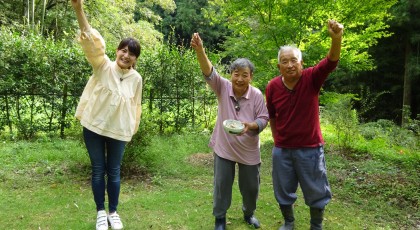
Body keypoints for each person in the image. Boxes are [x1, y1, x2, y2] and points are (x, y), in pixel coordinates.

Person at [265, 19, 343, 230]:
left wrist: (336, 39)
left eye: (294, 60)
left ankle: (316, 225)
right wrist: (277, 140)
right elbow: (272, 115)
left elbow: (331, 62)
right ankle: (289, 222)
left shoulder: (311, 78)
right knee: (282, 189)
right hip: (283, 150)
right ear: (279, 65)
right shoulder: (272, 86)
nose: (289, 65)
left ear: (301, 63)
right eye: (284, 61)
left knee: (316, 189)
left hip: (310, 149)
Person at [71, 0, 143, 229]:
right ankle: (100, 212)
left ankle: (113, 212)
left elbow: (136, 106)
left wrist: (131, 130)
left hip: (118, 131)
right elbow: (91, 41)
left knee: (114, 172)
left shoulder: (137, 79)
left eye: (131, 53)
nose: (126, 55)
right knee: (98, 170)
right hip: (94, 126)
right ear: (116, 51)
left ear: (135, 59)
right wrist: (78, 9)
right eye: (123, 50)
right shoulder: (102, 66)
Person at [190, 33, 269, 230]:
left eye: (245, 75)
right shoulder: (223, 87)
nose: (240, 79)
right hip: (224, 147)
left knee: (251, 187)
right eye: (236, 74)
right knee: (221, 185)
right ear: (231, 74)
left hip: (249, 149)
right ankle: (220, 219)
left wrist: (251, 126)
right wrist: (200, 50)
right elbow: (209, 72)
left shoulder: (257, 95)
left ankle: (248, 213)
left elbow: (264, 118)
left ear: (251, 77)